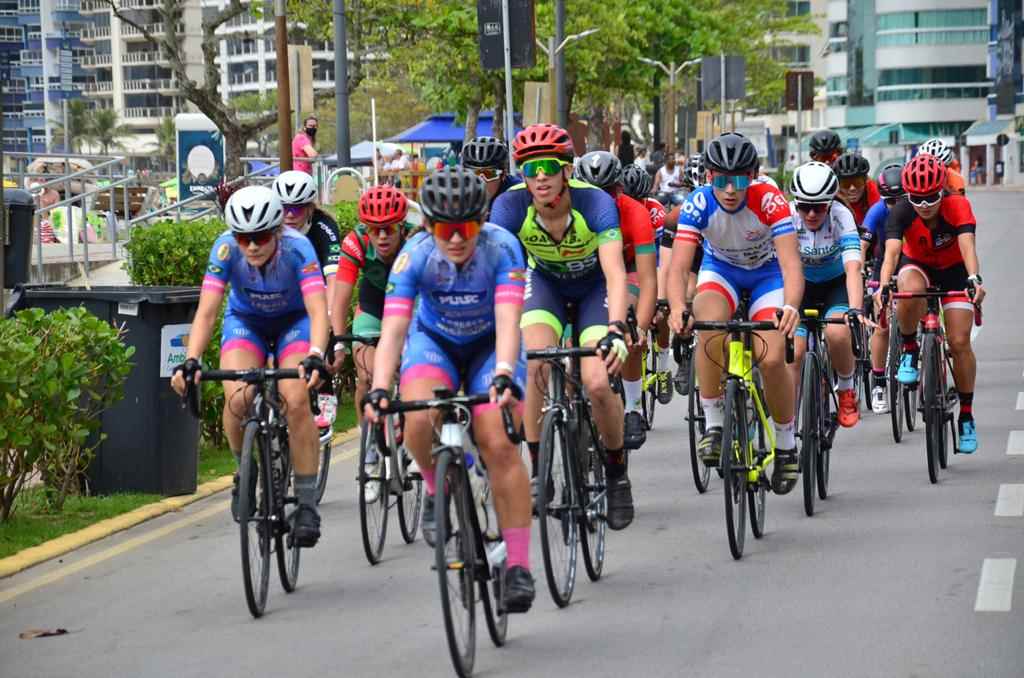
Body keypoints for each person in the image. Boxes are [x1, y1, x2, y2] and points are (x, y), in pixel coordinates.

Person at [362, 167, 536, 612]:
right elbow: (395, 331)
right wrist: (381, 388)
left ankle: (517, 565)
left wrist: (502, 373)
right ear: (426, 226)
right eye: (445, 229)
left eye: (467, 228)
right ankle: (437, 491)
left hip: (489, 346)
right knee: (417, 419)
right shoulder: (413, 258)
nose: (457, 239)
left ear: (482, 222)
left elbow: (508, 323)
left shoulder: (503, 248)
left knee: (496, 440)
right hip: (435, 341)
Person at [489, 123, 634, 530]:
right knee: (535, 363)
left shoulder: (596, 203)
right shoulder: (509, 207)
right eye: (529, 168)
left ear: (567, 170)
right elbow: (498, 272)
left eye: (549, 167)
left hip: (594, 289)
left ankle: (616, 471)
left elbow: (616, 272)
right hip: (546, 285)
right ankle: (538, 469)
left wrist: (618, 328)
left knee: (598, 382)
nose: (539, 177)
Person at [170, 186, 329, 545]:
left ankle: (305, 503)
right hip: (247, 323)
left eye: (259, 237)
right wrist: (191, 359)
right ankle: (247, 468)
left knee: (296, 398)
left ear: (276, 232)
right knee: (239, 399)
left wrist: (316, 352)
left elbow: (319, 309)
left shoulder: (298, 248)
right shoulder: (225, 248)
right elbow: (208, 311)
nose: (252, 246)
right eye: (244, 238)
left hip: (294, 324)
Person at [667, 132, 803, 495]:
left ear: (753, 176)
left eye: (739, 179)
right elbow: (679, 269)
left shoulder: (770, 201)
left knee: (773, 358)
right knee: (707, 328)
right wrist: (678, 306)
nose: (730, 189)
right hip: (721, 271)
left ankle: (786, 445)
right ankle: (714, 425)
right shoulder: (698, 204)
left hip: (767, 276)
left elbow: (791, 265)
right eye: (721, 180)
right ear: (709, 177)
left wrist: (790, 306)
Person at [876, 154, 985, 453]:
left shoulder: (957, 205)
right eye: (917, 199)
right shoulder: (901, 211)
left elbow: (967, 245)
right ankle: (910, 348)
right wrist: (884, 284)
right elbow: (892, 254)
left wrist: (974, 277)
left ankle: (965, 415)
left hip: (954, 271)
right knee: (907, 288)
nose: (924, 205)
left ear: (943, 190)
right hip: (918, 264)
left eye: (932, 197)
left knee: (960, 342)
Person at [576, 151, 658, 449]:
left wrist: (643, 328)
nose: (602, 198)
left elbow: (649, 279)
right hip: (588, 273)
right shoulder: (570, 209)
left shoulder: (635, 212)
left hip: (629, 268)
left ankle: (633, 406)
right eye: (593, 192)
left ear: (619, 190)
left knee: (630, 324)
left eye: (608, 191)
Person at [788, 162, 864, 428]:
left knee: (837, 333)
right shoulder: (787, 218)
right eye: (804, 206)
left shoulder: (842, 216)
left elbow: (854, 269)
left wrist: (855, 310)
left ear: (830, 203)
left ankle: (846, 389)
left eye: (819, 207)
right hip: (800, 287)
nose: (810, 214)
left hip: (835, 285)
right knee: (794, 353)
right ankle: (788, 420)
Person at [273, 170, 343, 428]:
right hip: (283, 295)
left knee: (322, 328)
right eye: (284, 208)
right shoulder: (271, 227)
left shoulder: (324, 227)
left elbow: (333, 281)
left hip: (317, 292)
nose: (290, 214)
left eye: (298, 208)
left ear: (311, 207)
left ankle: (323, 391)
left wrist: (330, 326)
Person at [622, 163, 674, 402]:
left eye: (640, 199)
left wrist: (660, 298)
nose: (635, 203)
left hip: (652, 261)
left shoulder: (656, 211)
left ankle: (663, 367)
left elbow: (663, 258)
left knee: (661, 313)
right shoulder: (615, 209)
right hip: (625, 263)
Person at [860, 162, 904, 413]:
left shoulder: (914, 211)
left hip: (910, 262)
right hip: (882, 266)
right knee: (883, 324)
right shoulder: (876, 212)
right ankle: (878, 384)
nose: (896, 206)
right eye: (891, 202)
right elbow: (863, 245)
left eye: (902, 200)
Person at [460, 136, 522, 213]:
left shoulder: (519, 193)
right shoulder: (455, 193)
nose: (481, 181)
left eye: (489, 174)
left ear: (503, 175)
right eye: (474, 173)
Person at [832, 152, 879, 228]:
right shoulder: (832, 195)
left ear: (865, 181)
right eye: (846, 184)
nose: (852, 188)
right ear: (838, 186)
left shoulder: (873, 189)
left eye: (857, 183)